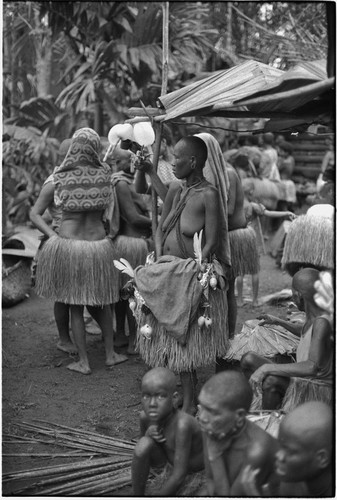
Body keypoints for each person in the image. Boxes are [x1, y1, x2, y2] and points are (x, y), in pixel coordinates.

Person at [133, 135, 230, 414]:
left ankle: (189, 402)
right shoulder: (176, 189)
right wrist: (159, 260)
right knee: (162, 338)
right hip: (166, 269)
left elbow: (213, 239)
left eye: (177, 158)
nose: (172, 162)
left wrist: (196, 267)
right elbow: (162, 227)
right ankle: (170, 393)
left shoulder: (209, 195)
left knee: (184, 343)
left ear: (193, 161)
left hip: (190, 273)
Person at [35, 128, 127, 374]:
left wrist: (53, 236)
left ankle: (84, 362)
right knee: (104, 303)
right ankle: (110, 355)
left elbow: (34, 214)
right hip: (98, 247)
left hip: (70, 246)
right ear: (95, 148)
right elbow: (111, 216)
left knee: (75, 306)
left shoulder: (59, 178)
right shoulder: (106, 176)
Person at [241, 267, 333, 412]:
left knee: (271, 380)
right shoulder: (315, 315)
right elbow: (307, 332)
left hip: (315, 389)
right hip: (303, 380)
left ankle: (269, 420)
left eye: (293, 294)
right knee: (249, 359)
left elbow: (311, 366)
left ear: (299, 296)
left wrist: (268, 368)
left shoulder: (322, 321)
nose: (292, 298)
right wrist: (278, 321)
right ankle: (260, 402)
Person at [30, 139, 77, 355]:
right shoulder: (53, 182)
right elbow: (34, 213)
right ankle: (64, 338)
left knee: (77, 292)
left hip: (78, 243)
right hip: (61, 242)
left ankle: (79, 331)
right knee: (62, 295)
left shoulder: (78, 177)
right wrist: (52, 235)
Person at [197, 370, 279, 496]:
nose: (202, 417)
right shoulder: (213, 426)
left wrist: (214, 456)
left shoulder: (258, 450)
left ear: (240, 416)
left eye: (212, 411)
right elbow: (210, 480)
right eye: (201, 407)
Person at [132, 367, 204, 496]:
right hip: (168, 464)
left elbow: (180, 474)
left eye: (160, 396)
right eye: (146, 396)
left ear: (175, 398)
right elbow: (143, 454)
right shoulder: (144, 417)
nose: (152, 403)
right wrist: (148, 434)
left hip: (193, 473)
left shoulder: (183, 424)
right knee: (143, 444)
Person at [108, 146, 152, 354]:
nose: (132, 161)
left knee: (124, 293)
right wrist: (156, 222)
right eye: (128, 158)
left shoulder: (126, 181)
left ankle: (121, 335)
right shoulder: (122, 184)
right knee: (130, 293)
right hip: (131, 243)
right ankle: (132, 338)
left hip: (127, 243)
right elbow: (133, 217)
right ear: (118, 162)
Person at [241, 401, 333, 497]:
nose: (278, 456)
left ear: (322, 458)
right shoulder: (290, 481)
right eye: (280, 445)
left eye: (290, 452)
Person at [236, 180, 296, 307]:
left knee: (240, 272)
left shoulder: (236, 204)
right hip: (253, 239)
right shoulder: (253, 206)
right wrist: (286, 213)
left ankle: (240, 300)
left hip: (241, 238)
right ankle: (254, 300)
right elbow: (269, 213)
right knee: (255, 270)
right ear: (251, 191)